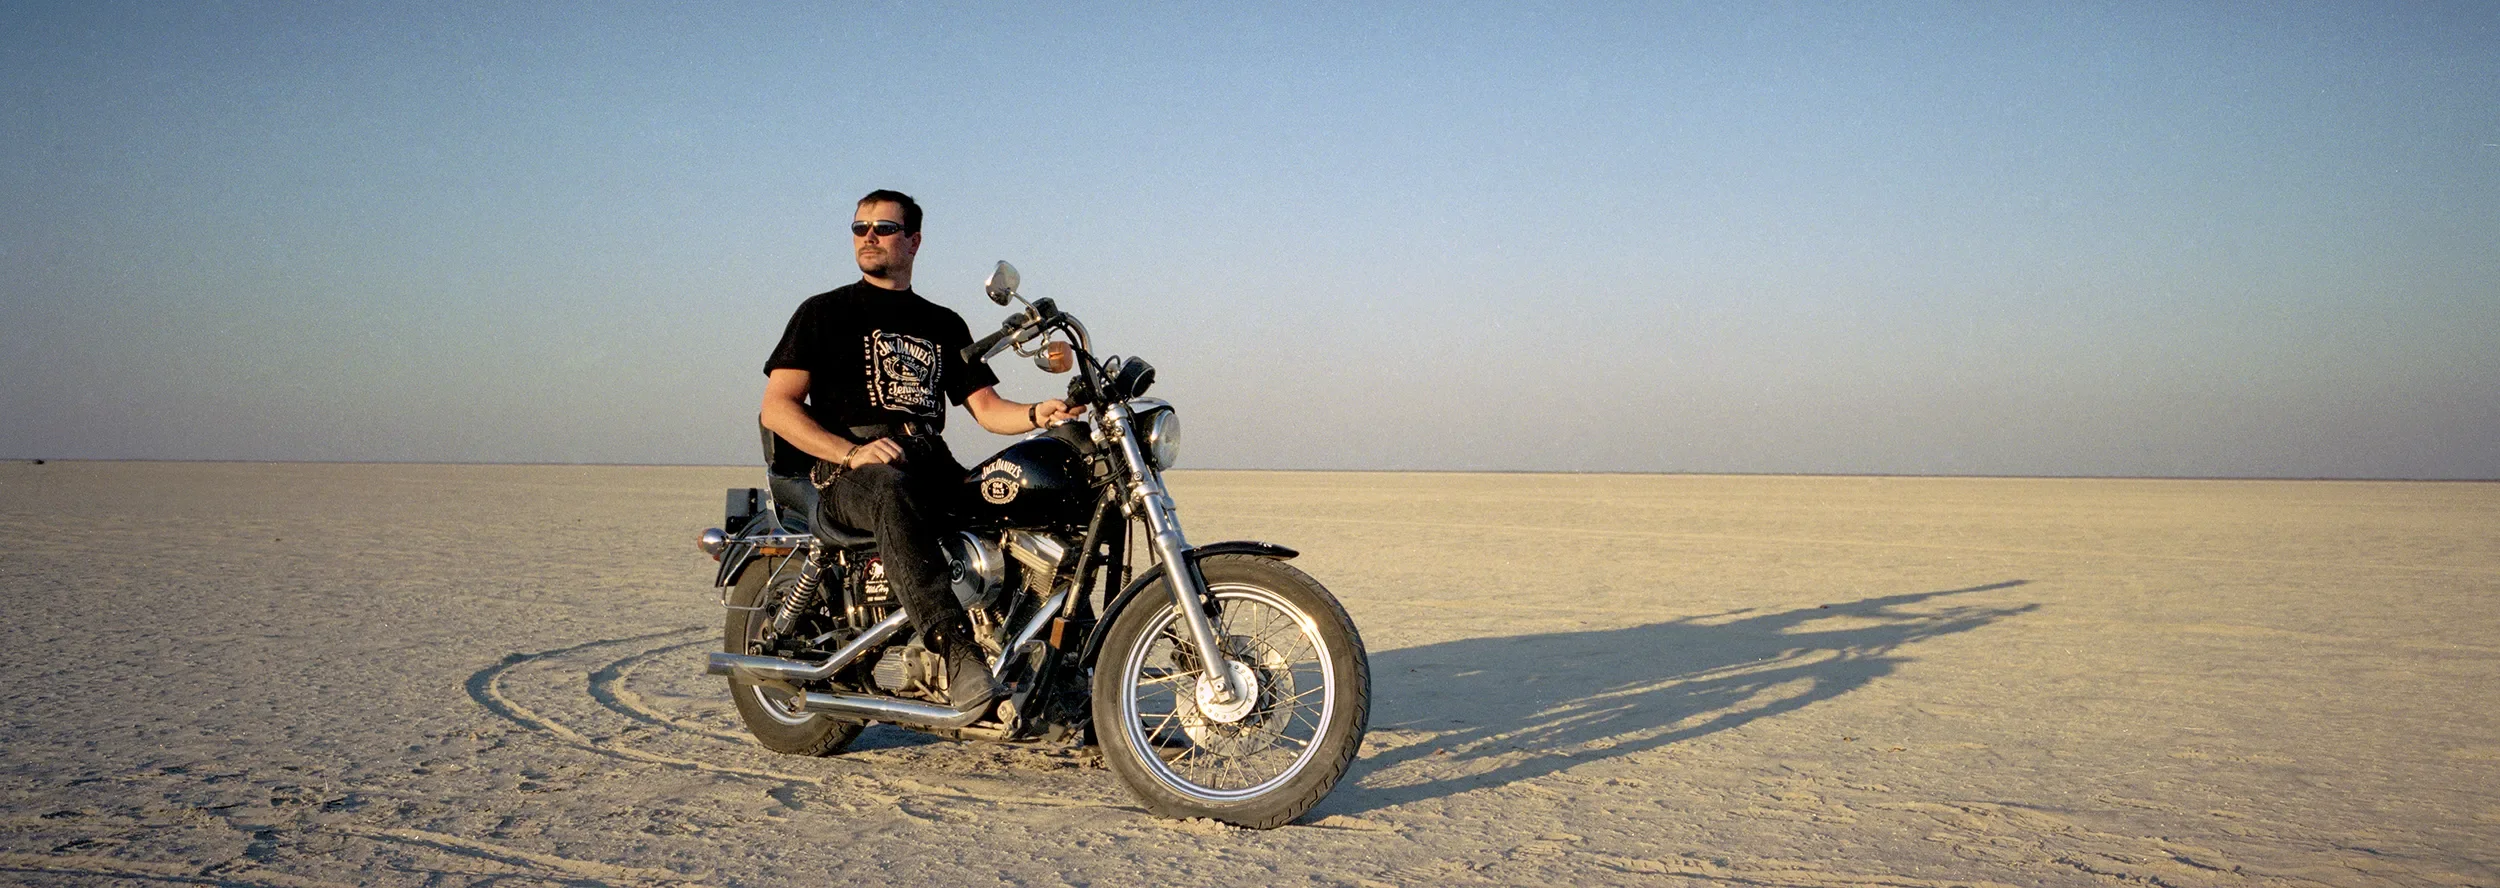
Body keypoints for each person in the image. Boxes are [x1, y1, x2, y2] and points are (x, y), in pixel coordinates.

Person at [759, 189, 1081, 710]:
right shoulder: (823, 312)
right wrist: (848, 453)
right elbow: (778, 407)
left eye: (882, 228)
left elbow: (985, 406)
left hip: (930, 461)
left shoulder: (943, 323)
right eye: (859, 228)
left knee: (1026, 495)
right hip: (850, 471)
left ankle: (1055, 662)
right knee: (891, 487)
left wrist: (1036, 414)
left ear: (913, 240)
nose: (868, 237)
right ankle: (953, 650)